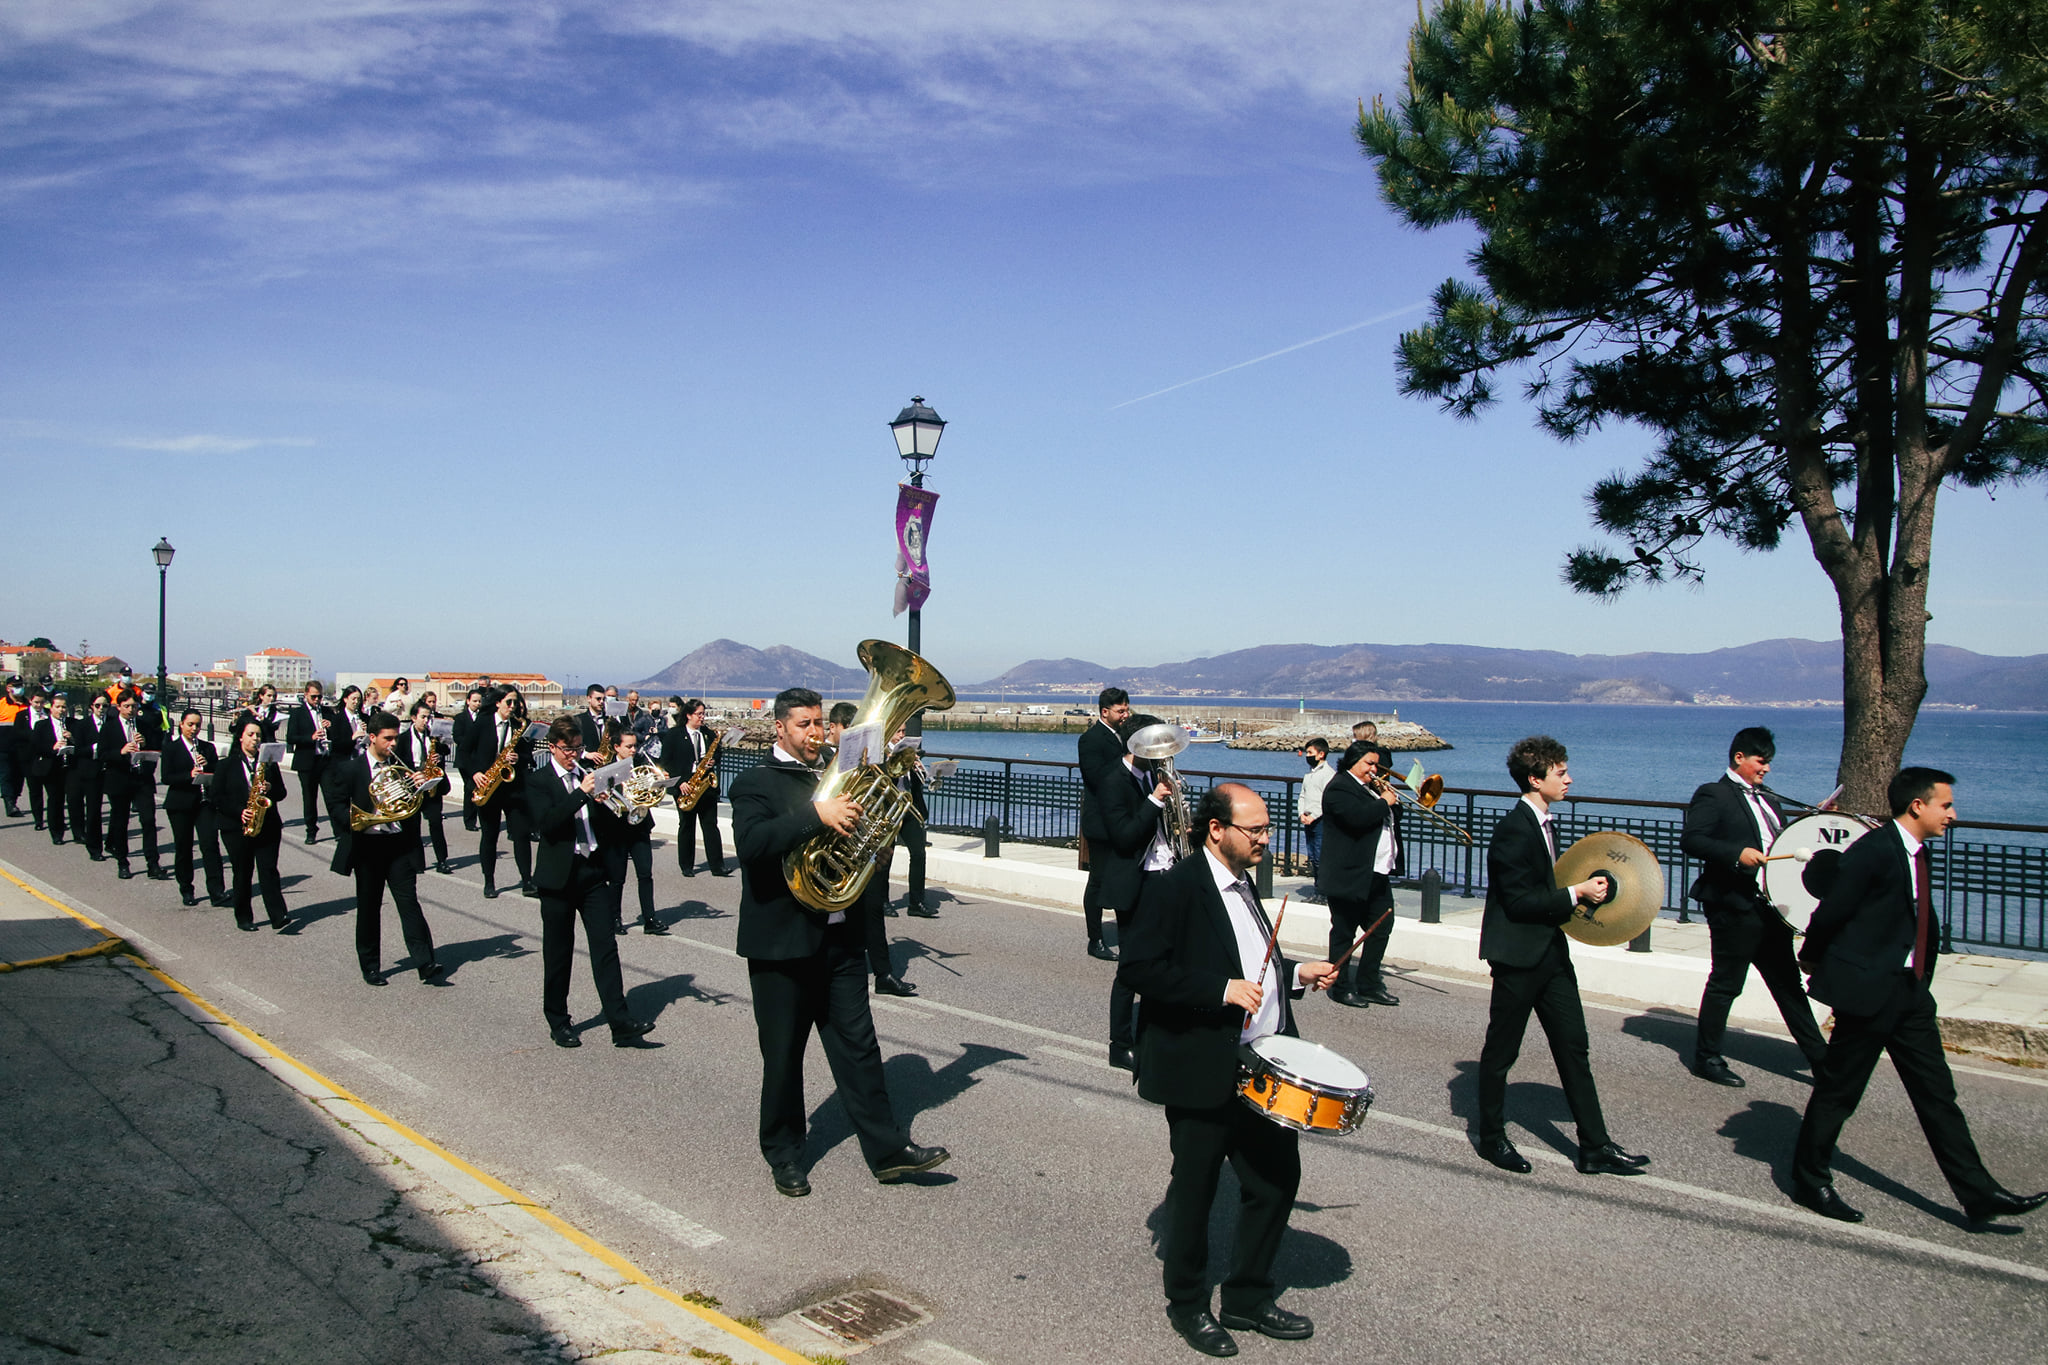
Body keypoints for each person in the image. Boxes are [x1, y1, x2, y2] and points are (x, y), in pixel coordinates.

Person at [1117, 783, 1338, 1357]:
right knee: (1196, 1189)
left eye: (1267, 828)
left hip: (1262, 1066)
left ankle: (1247, 1298)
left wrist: (1296, 975)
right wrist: (1219, 990)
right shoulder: (1175, 888)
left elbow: (1251, 963)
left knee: (1275, 1181)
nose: (1266, 839)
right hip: (1202, 1064)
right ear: (1216, 830)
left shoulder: (1245, 884)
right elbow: (1139, 968)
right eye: (1255, 830)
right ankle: (1188, 1304)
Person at [1790, 767, 2047, 1225]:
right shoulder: (1874, 850)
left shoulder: (1916, 852)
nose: (1953, 815)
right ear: (1917, 806)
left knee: (1937, 1095)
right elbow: (1832, 911)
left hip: (1909, 993)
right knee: (1839, 1092)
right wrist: (1812, 959)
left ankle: (1979, 1194)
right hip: (1870, 992)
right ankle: (1809, 1179)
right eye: (1945, 805)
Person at [730, 687, 947, 1197]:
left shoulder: (837, 773)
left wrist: (872, 838)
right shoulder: (755, 781)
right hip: (781, 944)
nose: (813, 733)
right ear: (780, 727)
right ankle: (785, 1153)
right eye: (802, 724)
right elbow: (752, 846)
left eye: (817, 722)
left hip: (839, 937)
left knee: (860, 1049)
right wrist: (817, 814)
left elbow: (855, 836)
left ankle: (887, 1150)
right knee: (783, 1056)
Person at [1475, 735, 1651, 1177]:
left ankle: (1595, 1147)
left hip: (1551, 953)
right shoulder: (1513, 829)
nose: (1569, 779)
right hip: (1518, 957)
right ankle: (1492, 1138)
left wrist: (1586, 894)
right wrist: (1576, 892)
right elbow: (1519, 902)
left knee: (1574, 1048)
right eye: (1561, 773)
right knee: (1501, 1053)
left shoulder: (1544, 824)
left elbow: (1548, 891)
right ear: (1535, 780)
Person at [1681, 726, 1829, 1086]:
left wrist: (1815, 823)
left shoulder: (1769, 800)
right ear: (1739, 758)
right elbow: (1692, 839)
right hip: (1733, 905)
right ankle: (1707, 1058)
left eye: (1769, 762)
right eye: (1761, 761)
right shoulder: (1714, 793)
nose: (1767, 768)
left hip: (1769, 908)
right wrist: (1737, 854)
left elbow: (1778, 844)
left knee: (1788, 985)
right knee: (1727, 983)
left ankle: (1824, 1063)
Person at [529, 716, 654, 1047]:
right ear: (552, 747)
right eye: (568, 749)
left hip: (592, 871)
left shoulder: (588, 776)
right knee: (559, 953)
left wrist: (612, 803)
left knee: (606, 948)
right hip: (558, 877)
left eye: (578, 747)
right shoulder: (539, 781)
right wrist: (582, 795)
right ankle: (558, 1021)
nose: (574, 754)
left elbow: (608, 826)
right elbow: (547, 824)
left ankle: (620, 1022)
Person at [333, 711, 442, 986]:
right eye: (388, 739)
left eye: (395, 738)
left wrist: (422, 787)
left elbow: (423, 801)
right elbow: (336, 807)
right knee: (369, 907)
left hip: (398, 845)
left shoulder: (402, 769)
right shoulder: (350, 769)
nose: (393, 744)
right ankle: (370, 966)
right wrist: (364, 817)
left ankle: (425, 962)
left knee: (409, 904)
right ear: (372, 738)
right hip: (368, 845)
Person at [1100, 713, 1177, 1073]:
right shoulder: (1113, 781)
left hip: (1163, 875)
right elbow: (1124, 837)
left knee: (1164, 958)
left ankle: (1156, 1033)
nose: (1162, 754)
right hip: (1135, 881)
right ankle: (1120, 1044)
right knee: (1131, 966)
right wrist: (1156, 800)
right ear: (1138, 746)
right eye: (1156, 746)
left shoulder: (1150, 775)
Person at [1320, 741, 1402, 1008]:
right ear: (1353, 761)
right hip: (1349, 874)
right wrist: (1384, 801)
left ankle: (1369, 983)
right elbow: (1357, 818)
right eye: (1369, 763)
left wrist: (1388, 798)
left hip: (1377, 872)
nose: (1374, 769)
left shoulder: (1369, 788)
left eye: (1376, 764)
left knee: (1381, 927)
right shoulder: (1339, 787)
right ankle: (1341, 986)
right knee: (1344, 932)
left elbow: (1393, 816)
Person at [212, 717, 290, 930]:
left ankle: (278, 915)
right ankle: (244, 917)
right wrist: (240, 812)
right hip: (237, 827)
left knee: (269, 870)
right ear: (240, 737)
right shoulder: (226, 765)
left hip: (267, 825)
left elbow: (281, 793)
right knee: (243, 873)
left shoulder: (268, 764)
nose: (255, 739)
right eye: (250, 735)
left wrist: (270, 788)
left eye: (258, 735)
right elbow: (216, 796)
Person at [592, 722, 666, 935]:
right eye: (629, 746)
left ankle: (650, 919)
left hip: (639, 826)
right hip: (616, 828)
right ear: (617, 747)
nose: (633, 750)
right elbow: (601, 800)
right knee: (617, 877)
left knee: (645, 873)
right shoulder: (606, 771)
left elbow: (650, 794)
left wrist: (659, 783)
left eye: (635, 746)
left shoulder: (642, 764)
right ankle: (615, 918)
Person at [1078, 686, 1133, 960]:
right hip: (1101, 822)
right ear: (1105, 712)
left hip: (1124, 820)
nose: (1126, 715)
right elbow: (1097, 778)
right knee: (1098, 881)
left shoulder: (1126, 736)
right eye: (1120, 711)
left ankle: (1127, 937)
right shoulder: (1090, 740)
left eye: (1127, 710)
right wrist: (1127, 761)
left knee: (1125, 879)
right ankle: (1095, 939)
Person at [465, 687, 535, 898]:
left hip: (513, 788)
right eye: (508, 702)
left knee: (521, 834)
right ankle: (489, 882)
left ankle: (527, 881)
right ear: (497, 703)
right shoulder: (482, 723)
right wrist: (475, 773)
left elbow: (528, 756)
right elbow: (464, 752)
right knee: (489, 836)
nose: (512, 707)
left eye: (515, 703)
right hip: (489, 786)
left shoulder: (519, 726)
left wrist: (519, 758)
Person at [160, 708, 228, 908]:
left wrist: (208, 767)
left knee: (210, 845)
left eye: (197, 725)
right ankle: (187, 889)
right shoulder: (171, 748)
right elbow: (167, 777)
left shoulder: (207, 748)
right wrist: (188, 775)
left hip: (204, 803)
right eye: (190, 724)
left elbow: (217, 774)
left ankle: (217, 891)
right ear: (181, 724)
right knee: (184, 846)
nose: (194, 729)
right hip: (181, 803)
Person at [98, 689, 168, 881]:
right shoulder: (109, 727)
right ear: (119, 707)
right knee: (120, 822)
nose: (131, 710)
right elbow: (102, 754)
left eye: (134, 706)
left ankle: (153, 864)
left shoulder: (144, 725)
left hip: (141, 780)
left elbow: (156, 750)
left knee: (148, 820)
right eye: (126, 706)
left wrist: (145, 745)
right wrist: (121, 752)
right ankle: (123, 862)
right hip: (120, 779)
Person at [664, 698, 729, 877]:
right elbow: (666, 761)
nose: (702, 717)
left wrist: (714, 760)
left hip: (705, 786)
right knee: (687, 826)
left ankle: (717, 865)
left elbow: (717, 751)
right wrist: (680, 782)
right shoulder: (674, 734)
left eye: (703, 714)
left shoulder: (707, 733)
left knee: (711, 826)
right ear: (688, 715)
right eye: (699, 714)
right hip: (685, 786)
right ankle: (686, 865)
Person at [399, 700, 453, 874]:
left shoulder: (433, 737)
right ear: (413, 718)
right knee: (413, 825)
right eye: (423, 717)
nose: (426, 721)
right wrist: (410, 775)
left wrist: (439, 754)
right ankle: (417, 862)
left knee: (436, 823)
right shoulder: (403, 738)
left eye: (428, 717)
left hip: (432, 784)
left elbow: (446, 750)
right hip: (413, 784)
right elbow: (398, 764)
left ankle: (442, 860)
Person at [285, 680, 337, 843]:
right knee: (309, 798)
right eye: (313, 697)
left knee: (331, 796)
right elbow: (291, 737)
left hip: (325, 760)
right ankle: (311, 831)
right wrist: (311, 737)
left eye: (319, 697)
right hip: (307, 761)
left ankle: (338, 830)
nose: (317, 700)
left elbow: (338, 732)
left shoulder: (327, 711)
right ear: (306, 695)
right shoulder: (297, 713)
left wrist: (331, 726)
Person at [25, 693, 74, 846]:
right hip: (52, 767)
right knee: (55, 799)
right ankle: (56, 832)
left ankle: (79, 831)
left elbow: (83, 743)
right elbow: (35, 747)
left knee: (73, 799)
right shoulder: (42, 725)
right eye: (57, 707)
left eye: (63, 707)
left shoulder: (73, 724)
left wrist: (72, 739)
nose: (61, 710)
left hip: (71, 767)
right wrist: (53, 748)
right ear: (51, 708)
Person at [66, 694, 109, 859]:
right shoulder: (82, 725)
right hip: (87, 771)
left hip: (106, 770)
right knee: (88, 809)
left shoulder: (112, 724)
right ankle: (92, 846)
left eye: (105, 706)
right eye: (98, 705)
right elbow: (77, 750)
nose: (101, 709)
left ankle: (107, 843)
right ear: (92, 706)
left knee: (96, 811)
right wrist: (93, 749)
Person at [1295, 739, 1334, 904]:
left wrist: (1314, 815)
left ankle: (1324, 892)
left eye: (1310, 752)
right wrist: (1301, 814)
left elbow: (1326, 799)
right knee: (1312, 856)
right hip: (1308, 819)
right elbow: (1302, 796)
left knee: (1320, 857)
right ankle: (1318, 891)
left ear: (1321, 754)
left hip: (1321, 821)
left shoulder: (1328, 774)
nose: (1307, 756)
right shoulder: (1309, 775)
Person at [450, 686, 486, 832]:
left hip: (479, 759)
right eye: (475, 701)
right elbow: (457, 737)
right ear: (468, 701)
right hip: (465, 759)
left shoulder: (483, 717)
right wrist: (471, 741)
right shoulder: (460, 718)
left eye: (479, 701)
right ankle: (469, 820)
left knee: (478, 788)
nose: (477, 704)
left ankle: (480, 818)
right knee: (469, 787)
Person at [0, 676, 28, 817]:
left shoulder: (28, 704)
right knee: (6, 775)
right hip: (4, 748)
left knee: (19, 776)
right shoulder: (2, 704)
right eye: (15, 685)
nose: (19, 688)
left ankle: (14, 798)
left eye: (20, 685)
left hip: (23, 748)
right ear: (8, 688)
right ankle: (9, 803)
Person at [575, 683, 608, 755]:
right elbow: (572, 744)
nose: (602, 702)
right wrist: (585, 754)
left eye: (604, 699)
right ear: (589, 699)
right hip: (586, 761)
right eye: (598, 699)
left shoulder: (609, 720)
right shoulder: (578, 720)